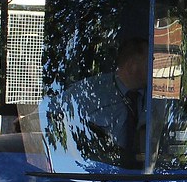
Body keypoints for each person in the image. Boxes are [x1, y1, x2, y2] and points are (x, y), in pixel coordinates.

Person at [58, 37, 149, 168]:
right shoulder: (89, 91)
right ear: (132, 66)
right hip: (94, 173)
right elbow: (52, 114)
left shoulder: (157, 98)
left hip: (149, 177)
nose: (155, 68)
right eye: (150, 62)